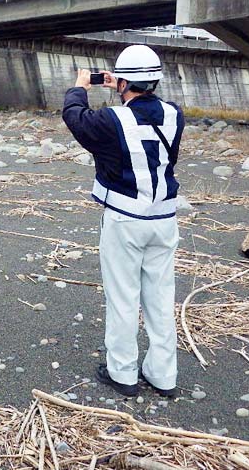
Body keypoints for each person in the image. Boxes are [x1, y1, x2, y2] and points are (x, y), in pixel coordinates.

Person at [62, 45, 184, 398]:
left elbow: (75, 117)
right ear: (156, 79)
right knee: (161, 299)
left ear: (123, 81)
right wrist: (125, 84)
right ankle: (164, 376)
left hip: (124, 217)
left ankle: (123, 372)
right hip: (164, 218)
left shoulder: (112, 120)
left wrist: (81, 86)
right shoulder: (175, 114)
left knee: (123, 297)